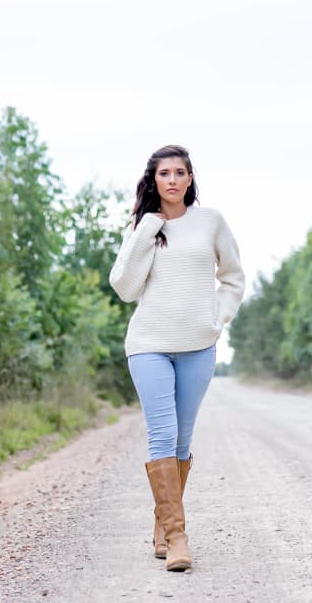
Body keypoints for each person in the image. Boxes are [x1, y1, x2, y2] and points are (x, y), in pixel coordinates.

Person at [109, 144, 245, 572]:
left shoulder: (211, 222)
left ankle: (162, 527)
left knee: (182, 440)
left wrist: (216, 319)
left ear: (190, 179)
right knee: (162, 435)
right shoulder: (143, 227)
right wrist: (147, 228)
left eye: (179, 172)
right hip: (148, 345)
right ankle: (179, 537)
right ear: (154, 181)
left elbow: (233, 277)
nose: (172, 180)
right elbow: (125, 288)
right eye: (163, 173)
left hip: (198, 346)